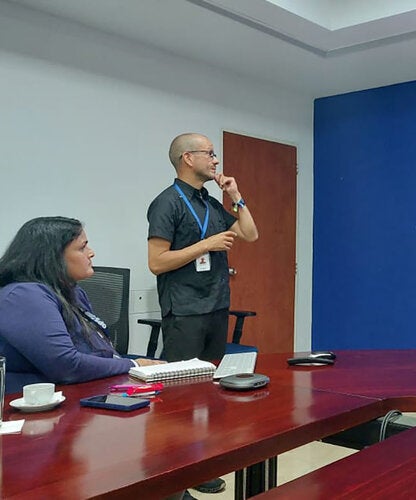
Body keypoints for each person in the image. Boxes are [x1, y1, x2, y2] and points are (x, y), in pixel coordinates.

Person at [147, 134, 258, 495]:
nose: (215, 160)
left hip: (215, 305)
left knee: (207, 394)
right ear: (187, 158)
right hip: (184, 311)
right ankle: (174, 478)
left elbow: (250, 234)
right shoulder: (166, 203)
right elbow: (156, 262)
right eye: (209, 154)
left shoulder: (209, 202)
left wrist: (236, 196)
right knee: (181, 398)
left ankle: (200, 465)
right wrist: (206, 245)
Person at [0, 217, 164, 394]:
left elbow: (93, 350)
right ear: (52, 257)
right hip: (43, 400)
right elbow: (65, 365)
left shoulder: (72, 290)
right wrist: (134, 365)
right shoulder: (23, 295)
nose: (91, 253)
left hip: (86, 387)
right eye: (82, 247)